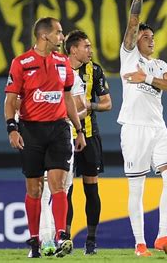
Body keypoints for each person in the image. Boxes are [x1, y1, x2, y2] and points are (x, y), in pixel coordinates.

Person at [4, 17, 86, 258]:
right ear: (44, 36)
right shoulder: (21, 63)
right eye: (59, 33)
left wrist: (78, 129)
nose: (62, 37)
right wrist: (12, 128)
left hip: (59, 130)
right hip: (31, 131)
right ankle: (35, 241)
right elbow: (9, 100)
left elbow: (68, 98)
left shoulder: (63, 63)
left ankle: (62, 236)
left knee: (58, 185)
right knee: (34, 189)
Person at [118, 0, 167, 257]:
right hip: (134, 127)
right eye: (146, 37)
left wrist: (148, 79)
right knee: (138, 187)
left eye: (153, 36)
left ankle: (162, 236)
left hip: (158, 128)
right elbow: (133, 22)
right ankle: (140, 243)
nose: (151, 39)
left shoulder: (159, 66)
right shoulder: (129, 56)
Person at [64, 30, 112, 255]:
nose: (91, 51)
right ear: (74, 49)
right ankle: (66, 239)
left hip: (89, 136)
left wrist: (86, 108)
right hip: (63, 137)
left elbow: (107, 104)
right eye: (87, 47)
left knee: (91, 190)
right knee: (66, 191)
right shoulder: (58, 67)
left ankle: (91, 242)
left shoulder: (95, 70)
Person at [39, 49, 88, 256]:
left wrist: (76, 126)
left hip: (65, 133)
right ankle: (47, 239)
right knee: (45, 190)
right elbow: (19, 103)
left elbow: (82, 108)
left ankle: (58, 237)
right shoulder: (32, 71)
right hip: (41, 134)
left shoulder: (71, 75)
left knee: (64, 188)